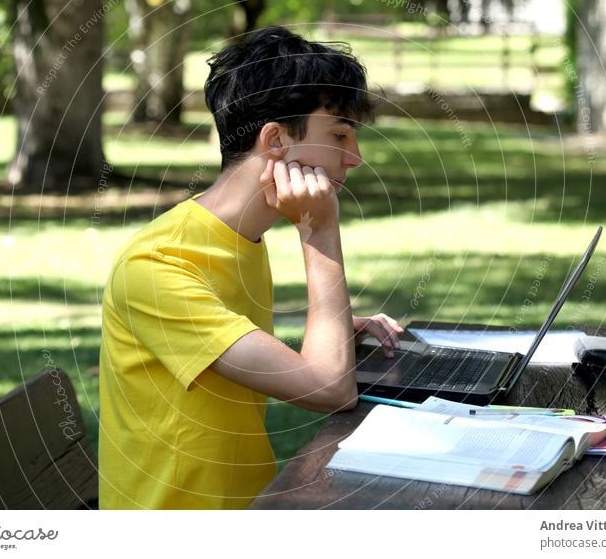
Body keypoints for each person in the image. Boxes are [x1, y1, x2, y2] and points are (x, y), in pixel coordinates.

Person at [98, 26, 404, 509]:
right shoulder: (157, 265)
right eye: (341, 134)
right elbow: (330, 389)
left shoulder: (238, 236)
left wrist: (329, 330)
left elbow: (226, 350)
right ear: (276, 140)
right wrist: (319, 233)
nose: (356, 158)